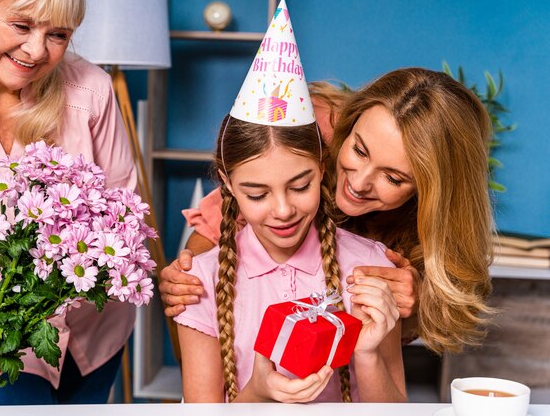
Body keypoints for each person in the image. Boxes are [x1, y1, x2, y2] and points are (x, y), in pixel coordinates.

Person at [161, 67, 494, 355]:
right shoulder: (311, 127)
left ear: (433, 192)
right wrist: (190, 278)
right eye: (359, 150)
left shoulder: (431, 233)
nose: (360, 183)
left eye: (393, 177)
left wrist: (418, 303)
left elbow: (447, 319)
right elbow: (228, 208)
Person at [0, 0, 136, 405]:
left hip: (96, 337)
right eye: (21, 26)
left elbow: (123, 218)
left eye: (58, 35)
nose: (38, 51)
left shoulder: (91, 92)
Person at [176, 115, 405, 403]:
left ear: (322, 168)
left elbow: (397, 408)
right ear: (228, 184)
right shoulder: (201, 280)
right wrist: (258, 392)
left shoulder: (372, 266)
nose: (283, 210)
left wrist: (367, 353)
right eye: (258, 194)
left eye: (299, 187)